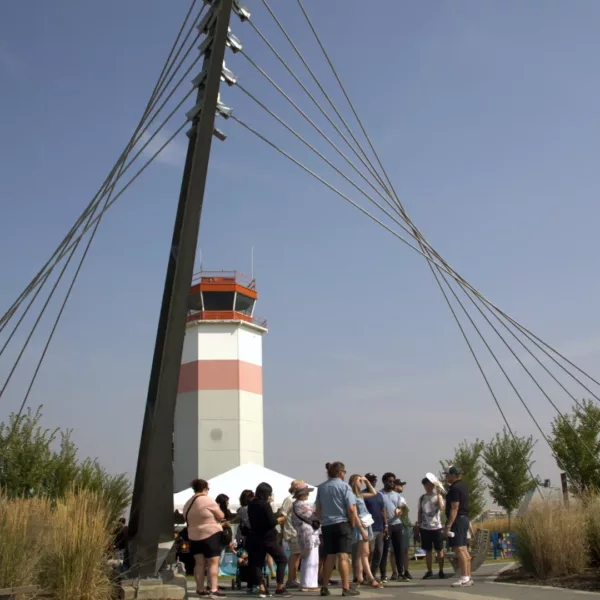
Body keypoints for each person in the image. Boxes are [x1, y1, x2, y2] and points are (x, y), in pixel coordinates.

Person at [316, 461, 360, 597]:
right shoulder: (344, 487)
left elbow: (318, 509)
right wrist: (352, 524)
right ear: (341, 472)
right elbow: (351, 508)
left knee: (330, 556)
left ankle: (324, 586)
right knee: (343, 556)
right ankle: (346, 587)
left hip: (327, 525)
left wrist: (323, 520)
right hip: (342, 523)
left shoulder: (322, 487)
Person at [182, 478, 225, 598]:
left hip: (193, 536)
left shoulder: (188, 503)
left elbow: (185, 518)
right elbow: (221, 515)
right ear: (205, 488)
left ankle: (200, 589)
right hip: (210, 534)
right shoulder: (207, 500)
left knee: (199, 563)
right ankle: (214, 589)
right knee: (213, 563)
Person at [247, 482, 291, 598]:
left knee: (257, 563)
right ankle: (280, 587)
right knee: (282, 559)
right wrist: (280, 519)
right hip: (269, 537)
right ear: (266, 493)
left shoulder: (251, 504)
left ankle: (261, 588)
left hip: (256, 536)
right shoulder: (265, 505)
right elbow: (271, 522)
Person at [348, 475, 383, 589]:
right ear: (354, 482)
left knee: (360, 554)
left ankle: (360, 577)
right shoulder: (352, 496)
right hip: (361, 524)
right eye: (359, 481)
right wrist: (361, 529)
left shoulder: (359, 495)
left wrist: (367, 481)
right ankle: (370, 578)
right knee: (365, 553)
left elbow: (374, 493)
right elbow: (354, 514)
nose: (361, 483)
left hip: (366, 523)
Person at [443, 466, 472, 588]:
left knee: (459, 549)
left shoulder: (454, 488)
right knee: (464, 549)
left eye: (448, 474)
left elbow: (454, 508)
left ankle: (464, 578)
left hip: (458, 520)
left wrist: (448, 525)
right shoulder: (462, 487)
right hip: (464, 519)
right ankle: (468, 577)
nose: (446, 476)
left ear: (454, 475)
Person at [291, 482, 320, 591]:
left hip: (303, 534)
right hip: (308, 534)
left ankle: (308, 583)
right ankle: (308, 583)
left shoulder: (296, 504)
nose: (307, 495)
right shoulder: (302, 505)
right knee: (310, 558)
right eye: (306, 493)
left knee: (308, 557)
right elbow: (314, 516)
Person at [379, 473, 407, 583]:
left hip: (397, 524)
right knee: (384, 550)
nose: (392, 483)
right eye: (390, 481)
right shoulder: (379, 494)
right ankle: (383, 575)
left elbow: (401, 507)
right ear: (384, 481)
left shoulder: (397, 495)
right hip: (386, 525)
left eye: (393, 482)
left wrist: (400, 510)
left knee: (398, 549)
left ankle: (401, 573)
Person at [418, 476, 446, 579]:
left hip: (437, 527)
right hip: (425, 527)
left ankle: (441, 570)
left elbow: (442, 507)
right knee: (428, 550)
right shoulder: (422, 498)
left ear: (432, 485)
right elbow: (420, 512)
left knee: (439, 549)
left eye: (428, 484)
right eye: (425, 484)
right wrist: (419, 525)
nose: (426, 486)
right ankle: (429, 570)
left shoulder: (438, 496)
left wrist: (439, 496)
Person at [280, 480, 305, 588]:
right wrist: (283, 531)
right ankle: (290, 579)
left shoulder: (298, 500)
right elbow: (283, 515)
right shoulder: (289, 499)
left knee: (298, 554)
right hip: (292, 532)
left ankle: (293, 578)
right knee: (294, 555)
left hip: (298, 531)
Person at [362, 474, 386, 582]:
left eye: (374, 480)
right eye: (371, 480)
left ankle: (373, 573)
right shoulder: (363, 494)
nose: (373, 482)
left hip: (379, 527)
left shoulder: (379, 495)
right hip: (369, 527)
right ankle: (364, 574)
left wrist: (386, 524)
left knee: (379, 551)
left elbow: (383, 510)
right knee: (369, 551)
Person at [394, 480, 412, 580]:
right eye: (400, 485)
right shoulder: (393, 497)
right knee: (394, 551)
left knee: (405, 550)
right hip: (396, 524)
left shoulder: (402, 498)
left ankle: (406, 570)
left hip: (405, 525)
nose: (402, 487)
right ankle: (394, 572)